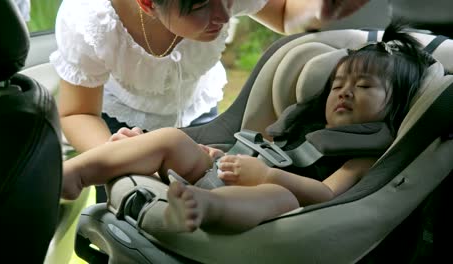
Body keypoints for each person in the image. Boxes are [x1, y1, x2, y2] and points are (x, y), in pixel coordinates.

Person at [62, 20, 431, 233]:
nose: (345, 92)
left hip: (277, 203)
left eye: (364, 87)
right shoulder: (305, 125)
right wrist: (218, 156)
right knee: (173, 139)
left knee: (279, 197)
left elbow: (327, 195)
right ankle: (73, 173)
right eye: (337, 85)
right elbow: (257, 148)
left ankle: (200, 208)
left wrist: (268, 177)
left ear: (395, 104)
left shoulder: (363, 155)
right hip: (229, 169)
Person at [51, 0, 370, 201]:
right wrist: (119, 152)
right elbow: (78, 112)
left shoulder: (224, 4)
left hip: (198, 112)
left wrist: (328, 8)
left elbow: (286, 12)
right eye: (202, 4)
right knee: (128, 201)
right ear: (148, 3)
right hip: (115, 126)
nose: (225, 15)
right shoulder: (91, 21)